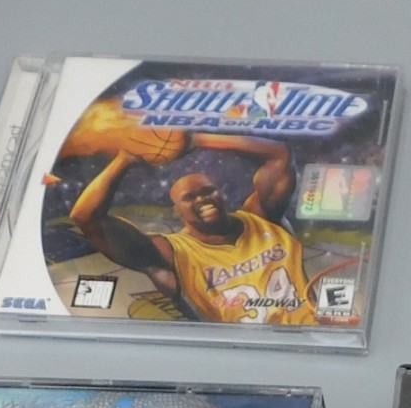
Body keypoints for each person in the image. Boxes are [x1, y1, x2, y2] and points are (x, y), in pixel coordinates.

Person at [69, 133, 317, 325]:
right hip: (243, 356)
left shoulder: (262, 217)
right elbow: (85, 217)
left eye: (208, 191)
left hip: (313, 336)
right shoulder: (171, 254)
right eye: (189, 197)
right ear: (176, 211)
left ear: (220, 194)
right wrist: (124, 159)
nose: (202, 199)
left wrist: (196, 139)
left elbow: (279, 154)